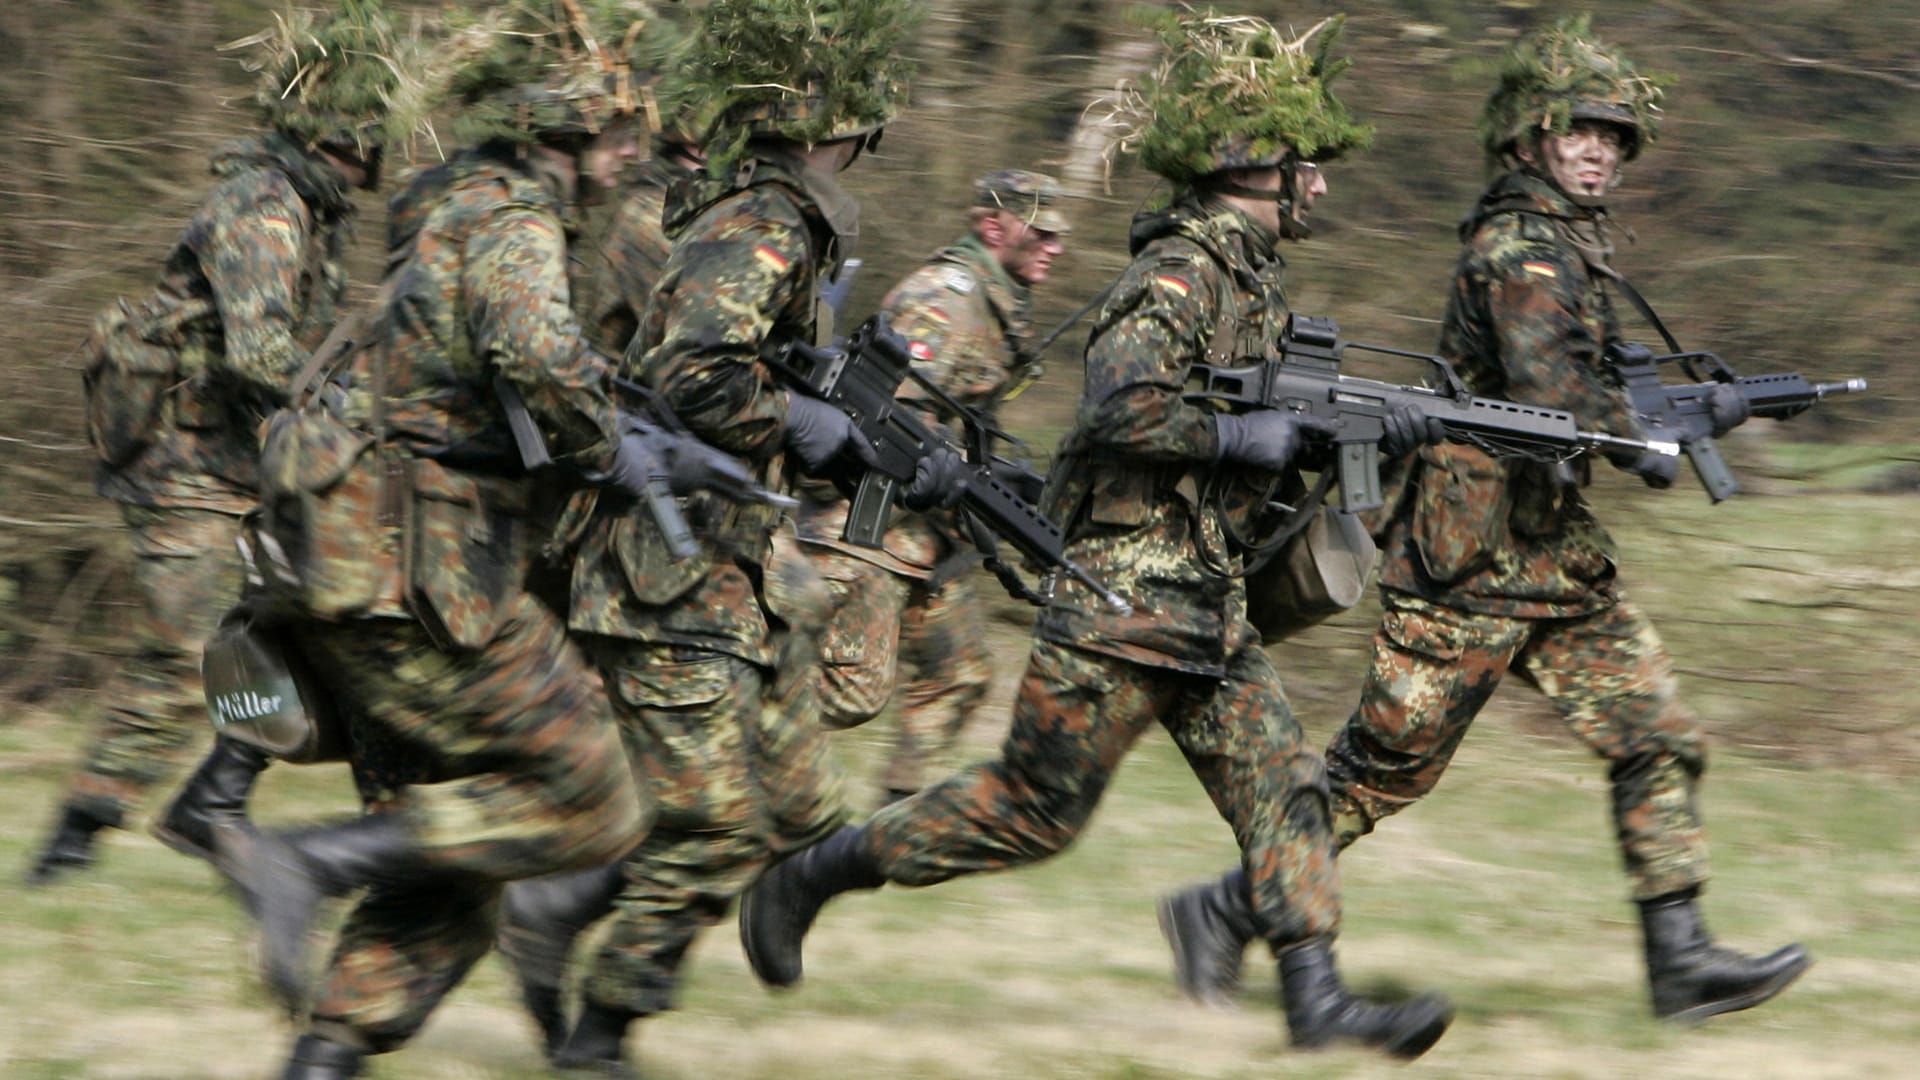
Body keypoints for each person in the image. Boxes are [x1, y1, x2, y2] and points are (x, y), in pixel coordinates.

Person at [737, 10, 1457, 1061]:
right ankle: (812, 873)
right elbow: (1121, 411)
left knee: (1285, 786)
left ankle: (1317, 1002)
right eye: (1309, 166)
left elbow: (1246, 442)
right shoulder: (1177, 274)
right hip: (1120, 598)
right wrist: (1245, 433)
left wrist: (1343, 438)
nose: (1323, 186)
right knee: (1029, 811)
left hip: (1202, 601)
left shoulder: (1249, 280)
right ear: (1258, 167)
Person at [1154, 15, 1810, 1026]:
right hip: (1467, 563)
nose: (1598, 150)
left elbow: (1592, 397)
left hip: (1553, 559)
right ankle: (1226, 911)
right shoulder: (1523, 250)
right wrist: (1676, 428)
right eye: (1580, 132)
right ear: (1532, 138)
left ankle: (1681, 959)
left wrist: (1682, 412)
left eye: (1614, 138)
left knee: (1658, 733)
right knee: (1378, 776)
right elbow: (1563, 402)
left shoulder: (1572, 249)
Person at [210, 3, 668, 1075]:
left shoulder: (442, 203)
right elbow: (535, 355)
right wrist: (616, 447)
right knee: (591, 795)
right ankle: (304, 863)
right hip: (414, 574)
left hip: (351, 565)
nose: (634, 154)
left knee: (454, 864)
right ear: (571, 127)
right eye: (623, 131)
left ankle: (323, 1058)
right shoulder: (514, 213)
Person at [548, 1, 916, 1074]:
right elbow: (693, 377)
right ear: (833, 122)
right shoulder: (765, 218)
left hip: (727, 561)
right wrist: (807, 426)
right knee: (708, 825)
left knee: (787, 807)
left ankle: (563, 931)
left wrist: (837, 426)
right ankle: (599, 1029)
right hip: (669, 561)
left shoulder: (762, 213)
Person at [25, 0, 406, 887]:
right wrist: (353, 408)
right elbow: (263, 350)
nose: (372, 154)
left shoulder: (314, 213)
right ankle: (76, 833)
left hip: (242, 463)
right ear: (333, 132)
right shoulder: (266, 207)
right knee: (185, 644)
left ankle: (210, 801)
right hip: (186, 467)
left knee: (297, 627)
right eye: (364, 134)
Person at [798, 169, 1066, 804]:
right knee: (848, 690)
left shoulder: (998, 304)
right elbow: (878, 413)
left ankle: (890, 821)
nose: (1055, 245)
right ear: (994, 227)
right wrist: (944, 466)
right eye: (1042, 231)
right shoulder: (944, 299)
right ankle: (702, 708)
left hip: (922, 531)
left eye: (1060, 233)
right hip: (865, 524)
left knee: (960, 674)